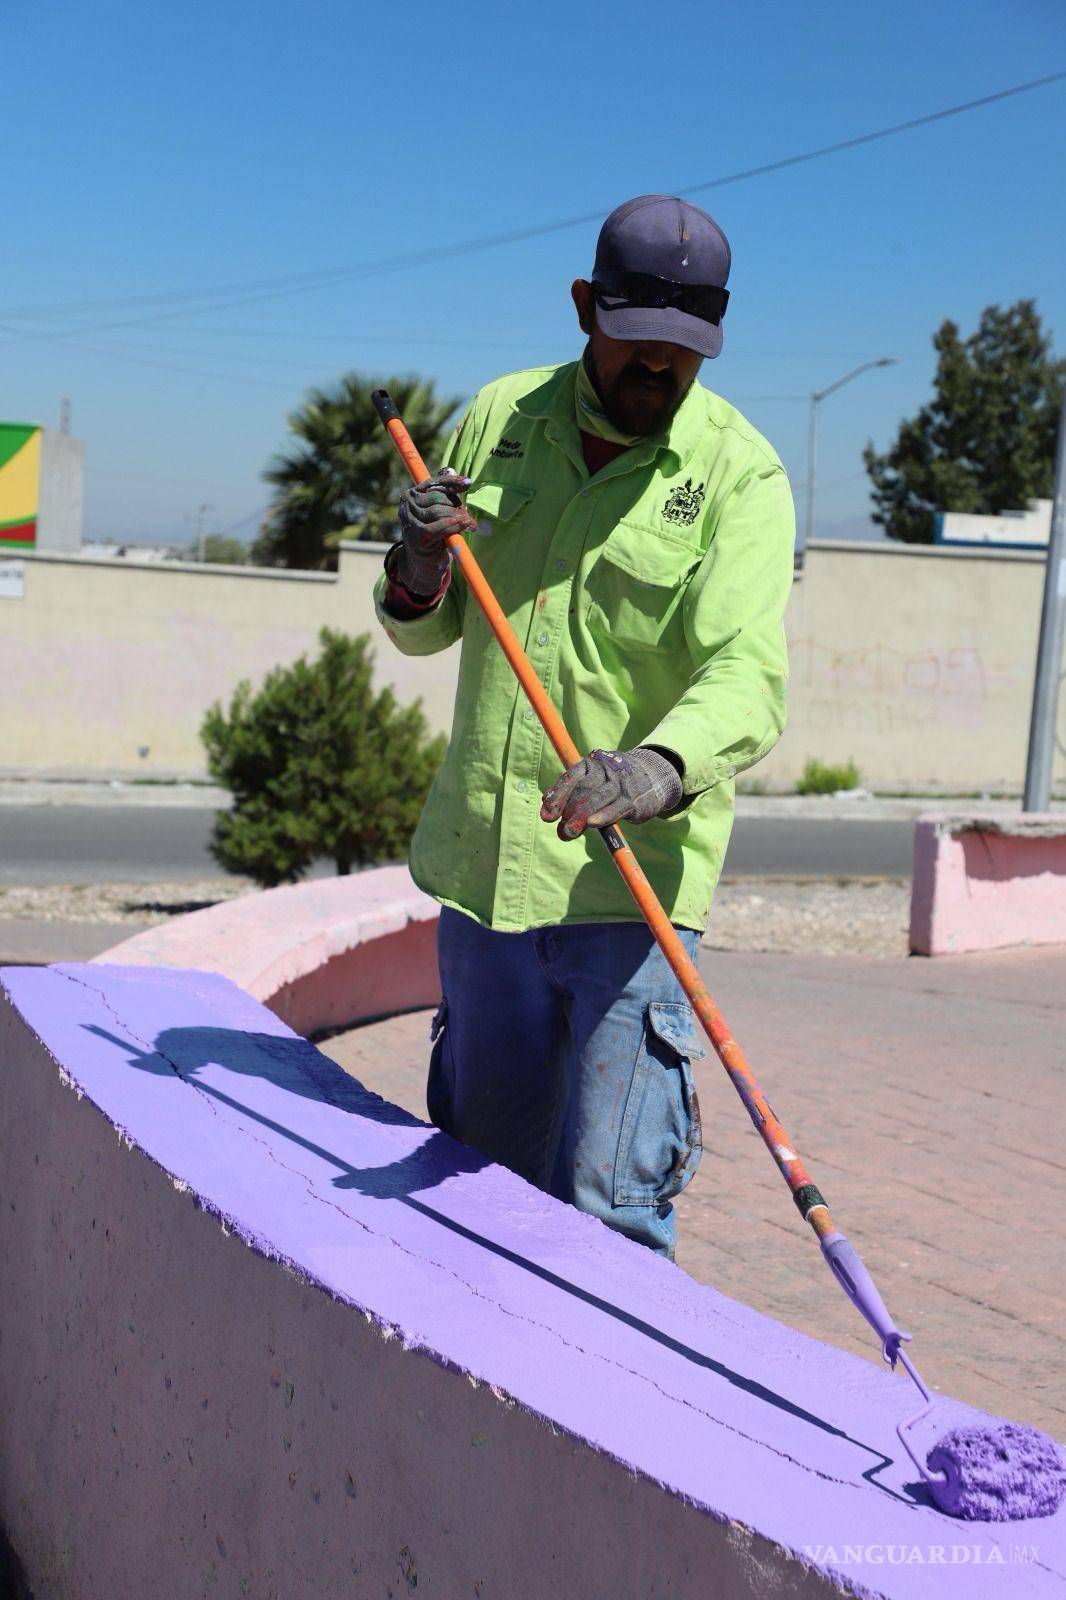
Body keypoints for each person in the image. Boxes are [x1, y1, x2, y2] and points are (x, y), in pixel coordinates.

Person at [374, 194, 795, 1259]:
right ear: (581, 310)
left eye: (684, 353)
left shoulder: (738, 474)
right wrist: (417, 566)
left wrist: (659, 765)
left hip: (631, 888)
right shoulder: (496, 419)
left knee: (610, 1211)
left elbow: (747, 671)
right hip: (487, 876)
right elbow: (425, 630)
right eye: (635, 345)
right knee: (478, 1185)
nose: (657, 370)